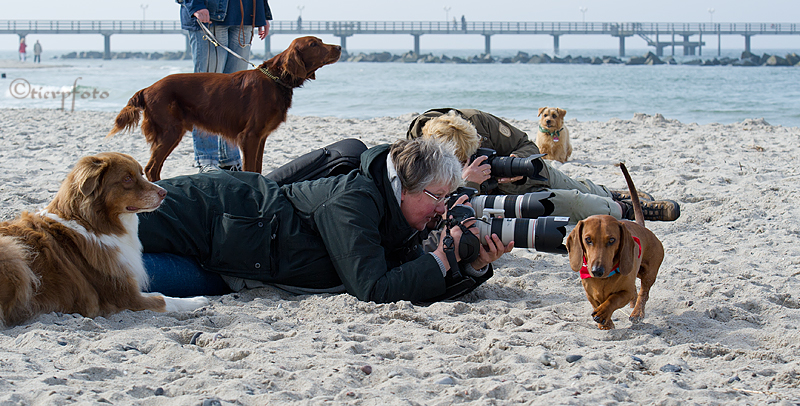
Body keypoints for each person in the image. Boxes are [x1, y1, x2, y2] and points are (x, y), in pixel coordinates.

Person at [138, 138, 512, 304]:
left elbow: (406, 278)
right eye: (436, 197)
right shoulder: (355, 201)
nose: (441, 208)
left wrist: (472, 265)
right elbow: (374, 289)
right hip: (207, 211)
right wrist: (441, 260)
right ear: (404, 187)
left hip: (226, 263)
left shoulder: (394, 217)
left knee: (114, 274)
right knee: (94, 228)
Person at [407, 108, 680, 223]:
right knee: (574, 202)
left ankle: (612, 194)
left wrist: (515, 162)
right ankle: (632, 210)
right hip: (502, 201)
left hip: (527, 174)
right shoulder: (418, 160)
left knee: (574, 185)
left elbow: (527, 144)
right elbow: (439, 208)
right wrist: (469, 180)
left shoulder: (477, 121)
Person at [177, 0, 272, 172]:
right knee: (207, 94)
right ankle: (207, 159)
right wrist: (195, 5)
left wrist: (262, 13)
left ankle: (229, 158)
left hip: (245, 15)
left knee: (236, 95)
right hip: (210, 14)